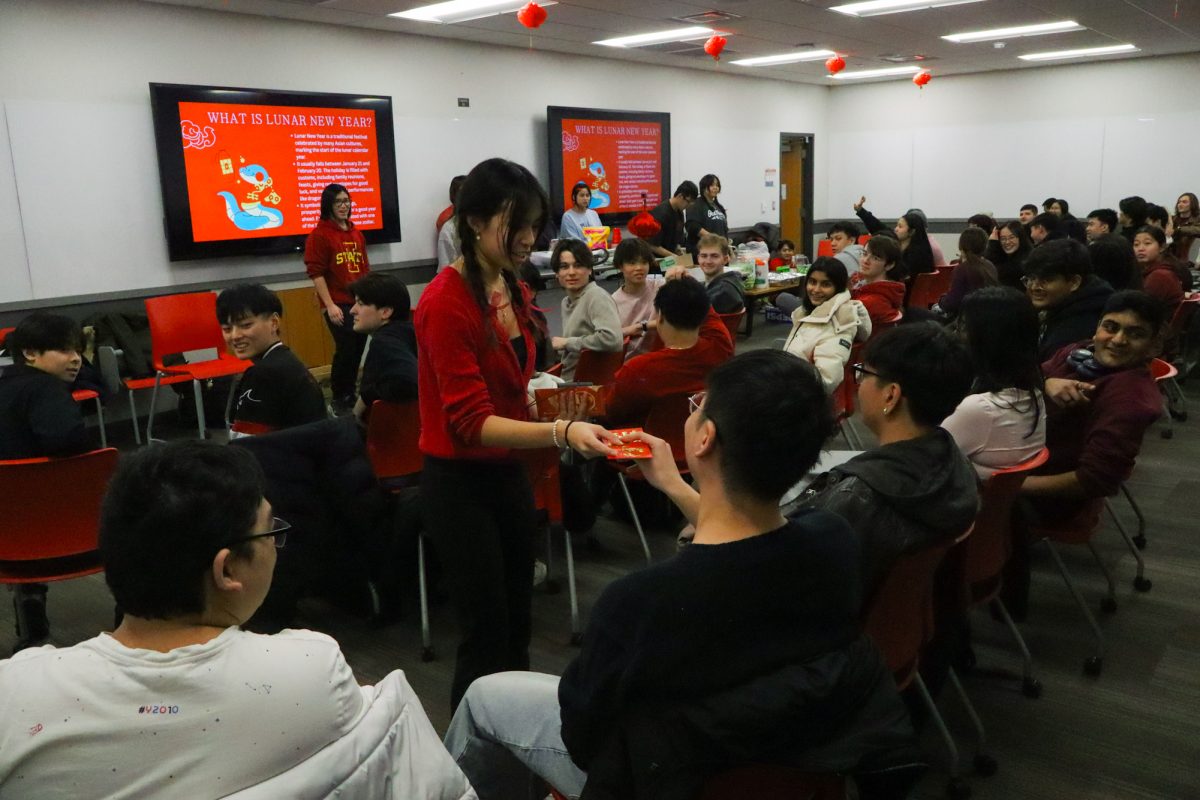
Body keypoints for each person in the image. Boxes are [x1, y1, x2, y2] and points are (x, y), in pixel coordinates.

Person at [443, 352, 915, 800]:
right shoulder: (833, 540)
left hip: (656, 774)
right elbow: (747, 539)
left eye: (697, 407)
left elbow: (584, 735)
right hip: (786, 757)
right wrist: (673, 483)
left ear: (705, 438)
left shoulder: (640, 603)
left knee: (484, 697)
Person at [0, 441, 475, 799]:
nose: (275, 546)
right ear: (227, 569)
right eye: (271, 531)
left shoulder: (15, 695)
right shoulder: (310, 670)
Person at [414, 158, 620, 710]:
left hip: (507, 471)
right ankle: (471, 761)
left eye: (535, 226)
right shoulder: (444, 302)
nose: (530, 239)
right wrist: (560, 428)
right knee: (485, 635)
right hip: (459, 483)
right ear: (475, 222)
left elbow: (512, 379)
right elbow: (471, 424)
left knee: (517, 626)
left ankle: (514, 741)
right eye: (517, 226)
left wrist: (546, 395)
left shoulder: (508, 284)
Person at [790, 322, 978, 593]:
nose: (858, 384)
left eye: (863, 374)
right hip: (907, 625)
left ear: (891, 394)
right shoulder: (958, 463)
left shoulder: (855, 499)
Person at [1022, 291, 1165, 517]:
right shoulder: (1080, 352)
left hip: (1043, 499)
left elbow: (1093, 481)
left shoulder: (1130, 400)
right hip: (1021, 458)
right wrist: (1047, 382)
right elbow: (1028, 377)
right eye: (1110, 327)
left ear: (1154, 346)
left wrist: (1008, 487)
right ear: (1097, 328)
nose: (1118, 340)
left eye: (1135, 334)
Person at [0, 312, 90, 653]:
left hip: (9, 535)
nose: (76, 359)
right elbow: (65, 442)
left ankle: (30, 592)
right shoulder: (48, 390)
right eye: (64, 350)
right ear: (30, 354)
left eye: (78, 350)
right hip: (72, 531)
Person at [942, 287, 1046, 478]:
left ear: (989, 337)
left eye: (963, 326)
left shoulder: (980, 408)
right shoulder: (1033, 391)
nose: (956, 333)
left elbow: (919, 461)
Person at [604, 276, 734, 427]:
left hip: (652, 446)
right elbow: (705, 308)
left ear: (660, 318)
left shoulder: (638, 369)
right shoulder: (721, 345)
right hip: (705, 440)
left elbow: (611, 414)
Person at [216, 284, 327, 436]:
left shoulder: (264, 373)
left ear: (274, 322)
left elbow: (247, 445)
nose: (235, 336)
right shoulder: (285, 360)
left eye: (245, 325)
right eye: (227, 329)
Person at [305, 182, 370, 415]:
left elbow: (364, 269)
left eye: (346, 201)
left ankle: (351, 394)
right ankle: (339, 397)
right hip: (337, 302)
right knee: (346, 348)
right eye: (338, 202)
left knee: (357, 349)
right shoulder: (320, 235)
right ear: (328, 206)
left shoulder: (356, 233)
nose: (344, 206)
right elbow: (317, 273)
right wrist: (329, 305)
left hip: (358, 301)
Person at [781, 257, 871, 394]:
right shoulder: (813, 313)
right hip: (790, 383)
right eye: (812, 282)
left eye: (825, 284)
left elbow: (826, 381)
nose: (816, 289)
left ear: (838, 287)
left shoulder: (839, 323)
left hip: (800, 398)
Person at [1023, 238, 1114, 360]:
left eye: (1046, 280)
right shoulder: (1060, 307)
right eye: (1031, 278)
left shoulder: (1076, 331)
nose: (1034, 287)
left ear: (1074, 282)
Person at [349, 271, 418, 422]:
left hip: (388, 437)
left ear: (385, 312)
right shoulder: (409, 331)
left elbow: (408, 381)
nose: (352, 310)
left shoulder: (385, 342)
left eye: (360, 304)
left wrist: (363, 400)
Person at [549, 239, 622, 381]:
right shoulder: (567, 302)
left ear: (590, 269)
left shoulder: (596, 296)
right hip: (570, 379)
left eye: (578, 265)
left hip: (580, 387)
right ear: (557, 273)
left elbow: (613, 339)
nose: (571, 272)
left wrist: (567, 343)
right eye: (564, 267)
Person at [611, 238, 665, 359]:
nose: (639, 268)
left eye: (644, 262)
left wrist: (640, 326)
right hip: (629, 362)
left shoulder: (661, 286)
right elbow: (608, 337)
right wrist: (626, 331)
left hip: (660, 357)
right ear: (620, 266)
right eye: (632, 263)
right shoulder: (612, 302)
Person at [853, 198, 934, 279]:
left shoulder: (917, 255)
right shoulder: (913, 246)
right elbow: (879, 227)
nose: (896, 229)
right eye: (897, 225)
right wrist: (861, 211)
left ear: (911, 232)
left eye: (900, 226)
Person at [934, 226, 998, 319]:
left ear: (962, 246)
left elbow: (951, 304)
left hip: (965, 320)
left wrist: (941, 299)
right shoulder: (990, 266)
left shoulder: (962, 269)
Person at [850, 235, 906, 325]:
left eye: (875, 258)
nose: (865, 260)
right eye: (864, 253)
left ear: (889, 265)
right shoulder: (889, 291)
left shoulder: (871, 302)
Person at [1132, 225, 1185, 316]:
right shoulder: (1149, 270)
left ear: (1162, 247)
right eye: (1136, 244)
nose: (1140, 249)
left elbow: (1141, 311)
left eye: (1147, 243)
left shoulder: (1160, 276)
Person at [645, 180, 697, 258]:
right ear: (680, 196)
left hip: (670, 259)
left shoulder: (679, 212)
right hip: (656, 261)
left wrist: (678, 249)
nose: (689, 206)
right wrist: (673, 256)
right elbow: (652, 245)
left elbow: (677, 237)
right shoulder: (661, 214)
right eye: (688, 202)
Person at [696, 233, 745, 314]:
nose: (708, 261)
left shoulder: (723, 292)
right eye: (704, 256)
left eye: (714, 256)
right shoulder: (729, 281)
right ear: (698, 258)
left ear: (725, 259)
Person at [684, 174, 728, 257]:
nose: (715, 187)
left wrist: (728, 251)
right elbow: (693, 226)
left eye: (717, 185)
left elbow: (725, 232)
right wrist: (715, 240)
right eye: (712, 185)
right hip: (702, 252)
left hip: (719, 251)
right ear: (704, 187)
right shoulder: (696, 204)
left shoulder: (719, 207)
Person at [986, 220, 1033, 290]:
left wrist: (993, 245)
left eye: (1012, 237)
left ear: (1021, 238)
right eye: (1003, 239)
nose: (1007, 242)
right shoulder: (1001, 255)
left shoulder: (1029, 257)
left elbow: (998, 272)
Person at [1170, 191, 1200, 260]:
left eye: (1184, 202)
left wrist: (1178, 230)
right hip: (1171, 258)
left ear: (1192, 204)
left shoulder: (1197, 220)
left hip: (1187, 261)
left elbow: (1197, 230)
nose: (1180, 204)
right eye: (1179, 202)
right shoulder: (1172, 220)